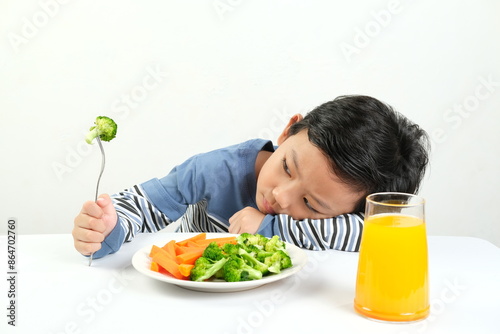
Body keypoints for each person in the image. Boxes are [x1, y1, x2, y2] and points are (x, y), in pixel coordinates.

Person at [72, 95, 430, 258]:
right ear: (289, 131)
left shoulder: (361, 208)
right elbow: (143, 205)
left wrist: (268, 228)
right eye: (287, 168)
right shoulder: (214, 170)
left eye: (311, 204)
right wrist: (108, 228)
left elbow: (376, 234)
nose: (281, 197)